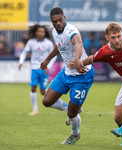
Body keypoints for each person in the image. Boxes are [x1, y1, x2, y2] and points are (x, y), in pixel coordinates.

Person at [40, 7, 94, 145]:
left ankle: (75, 134)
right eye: (55, 21)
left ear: (64, 18)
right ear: (51, 22)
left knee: (71, 114)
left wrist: (77, 59)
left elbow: (78, 43)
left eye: (60, 20)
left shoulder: (71, 31)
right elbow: (59, 46)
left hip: (83, 75)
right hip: (66, 73)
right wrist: (47, 59)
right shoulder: (54, 32)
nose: (58, 23)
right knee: (47, 101)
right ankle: (74, 107)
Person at [18, 24, 57, 116]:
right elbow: (24, 52)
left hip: (43, 70)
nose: (41, 33)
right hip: (34, 69)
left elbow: (54, 56)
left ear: (45, 33)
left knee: (43, 92)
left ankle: (61, 104)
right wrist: (21, 62)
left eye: (43, 32)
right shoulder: (31, 42)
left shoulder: (48, 43)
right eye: (39, 31)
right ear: (36, 32)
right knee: (33, 88)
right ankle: (35, 110)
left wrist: (49, 66)